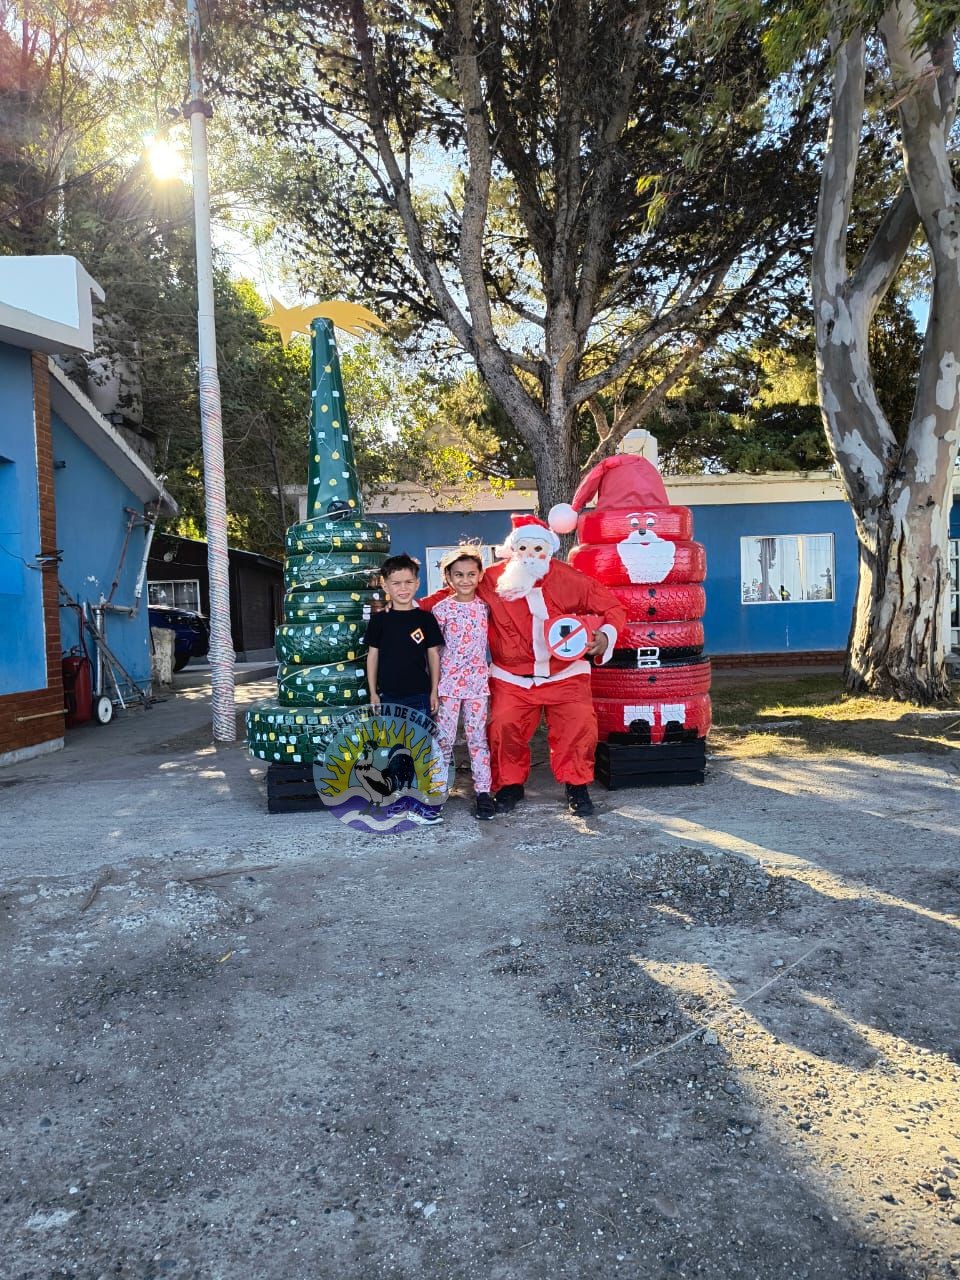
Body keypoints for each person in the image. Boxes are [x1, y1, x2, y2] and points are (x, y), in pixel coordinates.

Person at [424, 514, 626, 818]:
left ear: (548, 550)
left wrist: (604, 636)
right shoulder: (490, 579)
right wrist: (403, 609)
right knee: (504, 726)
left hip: (564, 674)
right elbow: (449, 597)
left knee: (579, 723)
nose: (530, 556)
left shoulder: (569, 578)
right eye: (523, 549)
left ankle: (577, 785)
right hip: (512, 678)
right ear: (512, 549)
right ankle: (509, 785)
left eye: (537, 549)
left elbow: (612, 607)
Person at [431, 546, 495, 822]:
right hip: (448, 685)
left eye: (471, 574)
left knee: (477, 740)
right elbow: (433, 651)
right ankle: (435, 792)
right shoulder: (441, 609)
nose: (465, 580)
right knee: (443, 739)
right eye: (458, 575)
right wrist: (433, 686)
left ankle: (483, 793)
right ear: (448, 577)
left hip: (478, 684)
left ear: (480, 575)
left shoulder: (486, 607)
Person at [363, 554, 443, 720]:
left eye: (408, 582)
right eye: (396, 583)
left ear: (417, 583)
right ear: (385, 586)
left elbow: (433, 655)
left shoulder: (426, 619)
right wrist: (373, 693)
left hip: (420, 695)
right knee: (395, 744)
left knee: (420, 743)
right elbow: (372, 656)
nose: (403, 588)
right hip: (389, 696)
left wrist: (434, 691)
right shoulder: (379, 620)